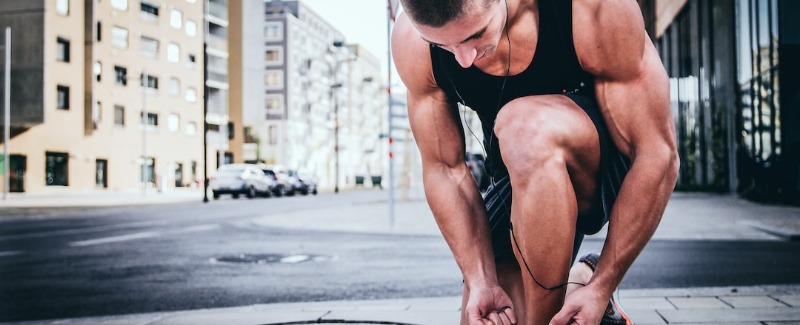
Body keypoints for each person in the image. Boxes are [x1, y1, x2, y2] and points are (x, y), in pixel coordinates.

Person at [391, 0, 679, 324]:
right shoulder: (411, 41)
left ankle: (588, 283)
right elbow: (445, 169)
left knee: (524, 128)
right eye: (442, 45)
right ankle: (579, 279)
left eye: (475, 35)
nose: (463, 58)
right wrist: (479, 279)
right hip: (515, 177)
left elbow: (657, 154)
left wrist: (604, 285)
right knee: (491, 314)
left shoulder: (591, 8)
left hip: (602, 169)